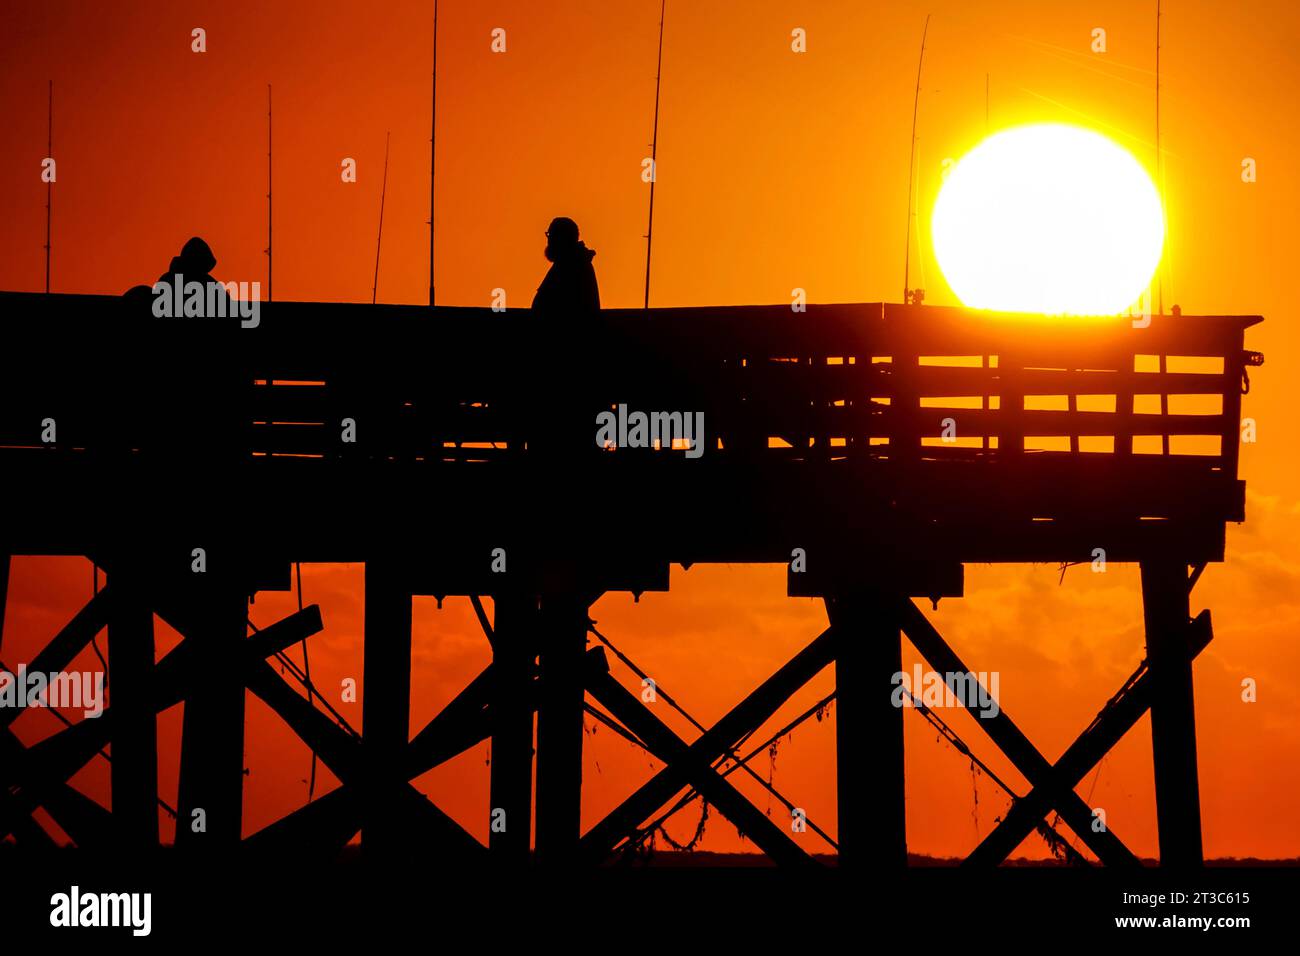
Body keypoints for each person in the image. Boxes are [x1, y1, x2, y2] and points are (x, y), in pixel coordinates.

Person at [531, 217, 600, 314]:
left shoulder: (572, 266)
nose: (549, 240)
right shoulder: (567, 263)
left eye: (551, 235)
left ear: (562, 238)